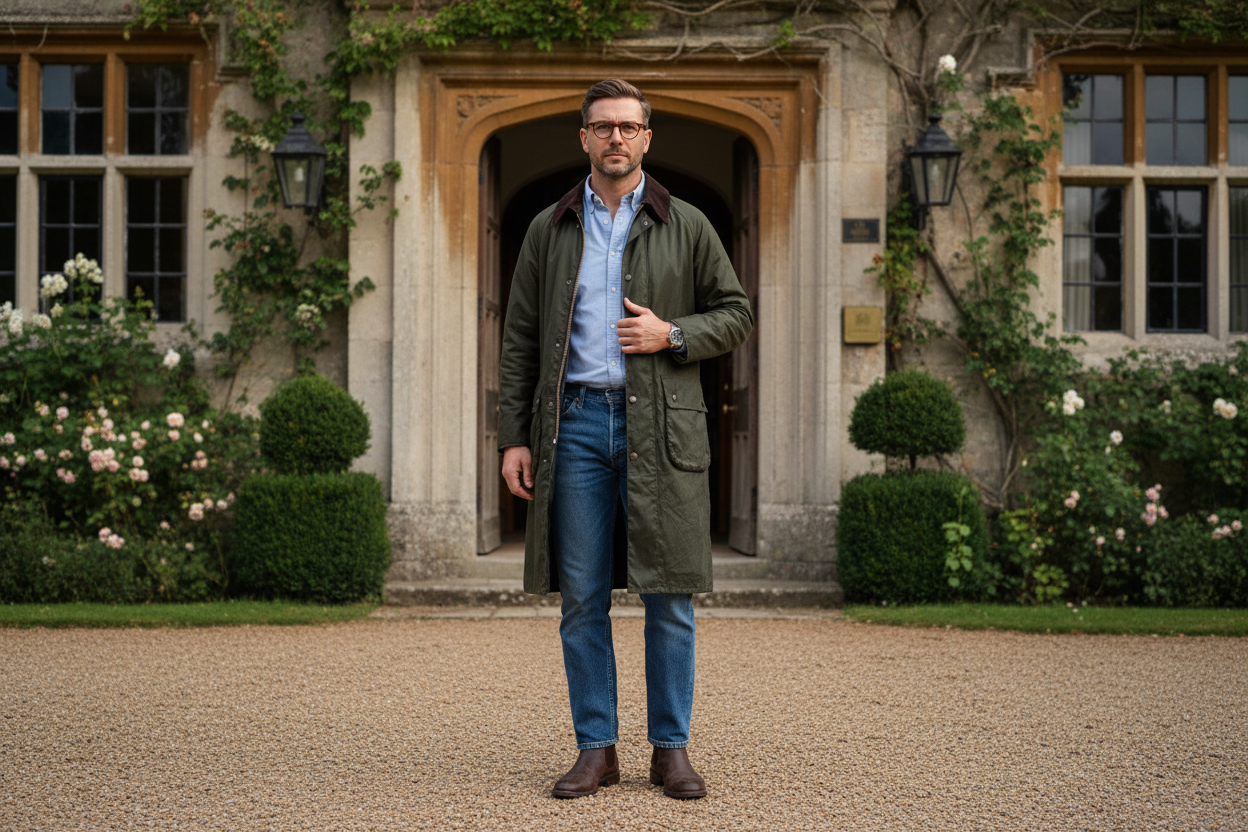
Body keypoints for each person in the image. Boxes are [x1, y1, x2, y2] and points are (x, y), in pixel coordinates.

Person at [497, 79, 753, 800]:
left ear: (647, 138)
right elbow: (518, 340)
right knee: (581, 598)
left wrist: (670, 334)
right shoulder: (549, 228)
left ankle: (670, 750)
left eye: (629, 127)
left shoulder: (689, 223)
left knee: (669, 594)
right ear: (583, 138)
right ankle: (596, 749)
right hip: (574, 426)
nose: (616, 138)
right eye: (602, 127)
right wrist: (513, 437)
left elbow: (735, 314)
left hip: (663, 428)